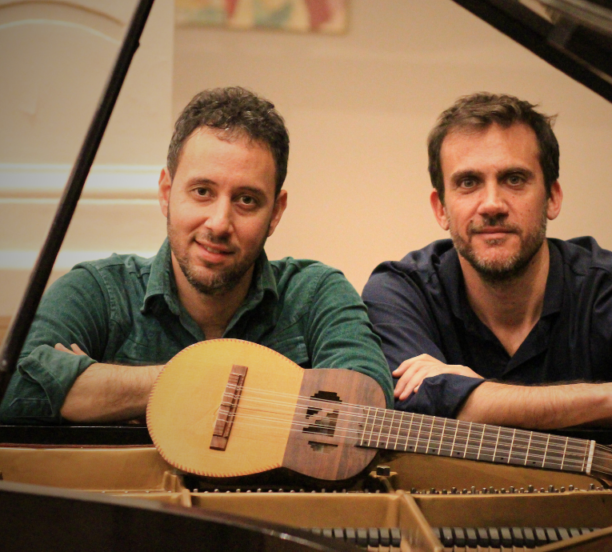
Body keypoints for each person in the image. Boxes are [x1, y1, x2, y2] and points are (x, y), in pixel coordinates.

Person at [0, 87, 393, 424]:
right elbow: (14, 392)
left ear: (275, 212)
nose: (219, 223)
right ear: (166, 193)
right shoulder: (98, 292)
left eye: (246, 200)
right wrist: (200, 382)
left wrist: (108, 391)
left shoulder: (316, 293)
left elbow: (367, 407)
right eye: (202, 191)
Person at [362, 92, 612, 430]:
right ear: (441, 208)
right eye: (469, 183)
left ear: (552, 198)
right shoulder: (400, 291)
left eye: (514, 179)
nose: (492, 204)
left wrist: (470, 396)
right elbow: (404, 408)